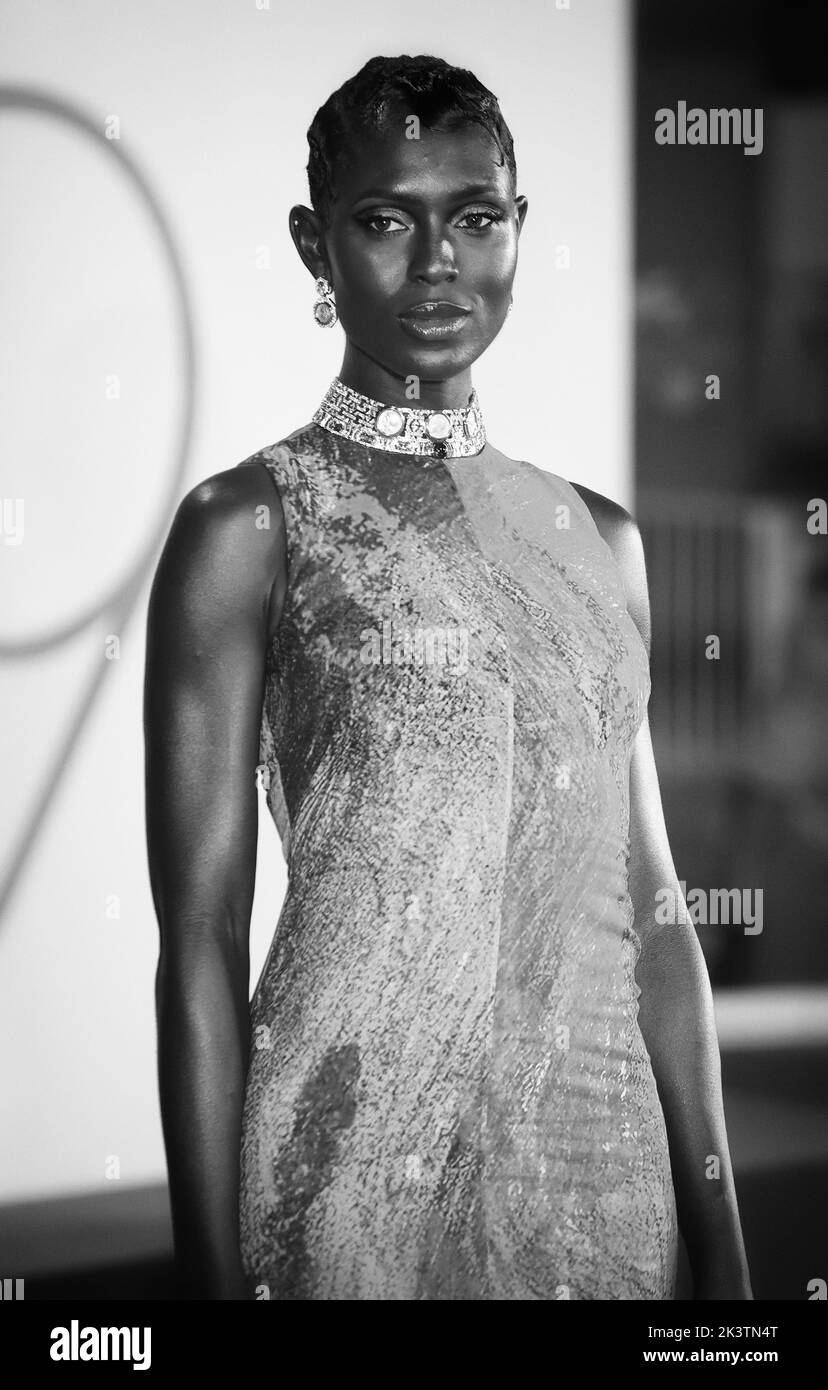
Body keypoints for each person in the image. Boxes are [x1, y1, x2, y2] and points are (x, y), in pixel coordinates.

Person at [144, 54, 752, 1300]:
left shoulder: (604, 541)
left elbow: (655, 910)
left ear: (518, 231)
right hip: (345, 1191)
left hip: (600, 1196)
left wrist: (728, 1252)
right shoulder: (247, 526)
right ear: (316, 246)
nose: (438, 264)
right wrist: (207, 1285)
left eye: (475, 218)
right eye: (386, 221)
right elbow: (198, 941)